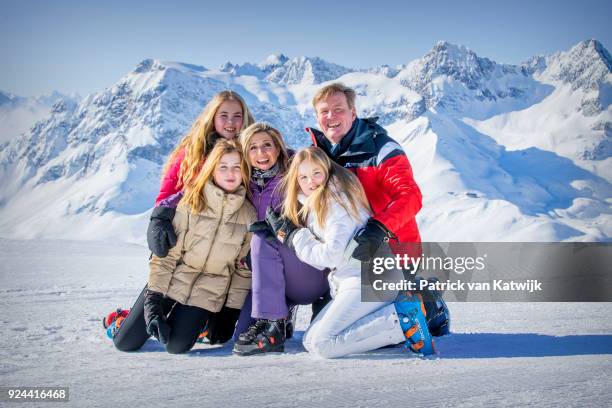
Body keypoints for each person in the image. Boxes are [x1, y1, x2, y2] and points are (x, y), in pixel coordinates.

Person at [259, 147, 434, 358]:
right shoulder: (318, 202)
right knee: (310, 340)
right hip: (355, 280)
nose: (310, 182)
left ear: (327, 171)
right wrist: (288, 236)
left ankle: (401, 321)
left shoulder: (335, 201)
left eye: (316, 173)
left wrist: (294, 237)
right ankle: (398, 319)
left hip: (368, 280)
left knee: (322, 344)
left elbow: (330, 256)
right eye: (303, 177)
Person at [307, 83, 449, 337]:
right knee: (328, 325)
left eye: (338, 109)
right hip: (347, 256)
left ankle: (428, 302)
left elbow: (410, 196)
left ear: (353, 113)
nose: (331, 117)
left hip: (392, 250)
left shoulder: (382, 149)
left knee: (375, 331)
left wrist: (378, 228)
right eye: (324, 111)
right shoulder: (320, 155)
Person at [112, 140, 256, 354]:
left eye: (237, 167)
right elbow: (166, 257)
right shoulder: (191, 202)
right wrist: (153, 302)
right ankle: (122, 319)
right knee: (124, 343)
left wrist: (230, 311)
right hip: (171, 281)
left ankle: (197, 324)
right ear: (212, 169)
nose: (230, 173)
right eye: (223, 167)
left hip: (207, 290)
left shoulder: (248, 215)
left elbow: (242, 269)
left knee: (176, 347)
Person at [231, 123, 330, 356]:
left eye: (267, 145)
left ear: (279, 147)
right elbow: (203, 185)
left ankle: (273, 325)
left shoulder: (296, 174)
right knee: (241, 334)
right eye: (253, 148)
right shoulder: (246, 184)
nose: (261, 153)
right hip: (274, 275)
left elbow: (322, 180)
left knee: (263, 239)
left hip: (310, 267)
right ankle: (280, 314)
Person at [148, 90, 254, 257]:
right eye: (224, 115)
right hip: (186, 235)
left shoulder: (250, 151)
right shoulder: (193, 150)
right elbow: (170, 188)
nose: (231, 122)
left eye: (237, 116)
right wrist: (160, 218)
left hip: (225, 241)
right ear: (212, 117)